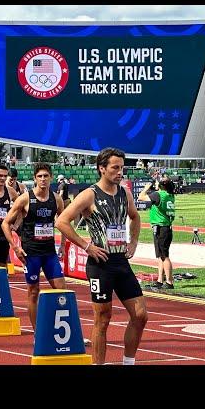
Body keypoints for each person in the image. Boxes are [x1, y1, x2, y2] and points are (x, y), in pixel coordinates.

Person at [56, 147, 148, 365]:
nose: (120, 172)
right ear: (102, 169)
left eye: (122, 168)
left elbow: (135, 217)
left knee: (140, 315)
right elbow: (61, 222)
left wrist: (133, 242)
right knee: (103, 319)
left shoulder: (125, 193)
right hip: (100, 264)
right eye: (115, 168)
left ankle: (128, 362)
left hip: (121, 262)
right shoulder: (89, 195)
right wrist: (86, 247)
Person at [1, 163, 67, 331]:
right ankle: (38, 332)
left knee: (62, 290)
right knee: (33, 292)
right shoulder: (25, 199)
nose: (43, 179)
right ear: (34, 179)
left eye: (46, 176)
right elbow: (5, 224)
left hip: (49, 252)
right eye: (40, 176)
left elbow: (64, 222)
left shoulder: (56, 199)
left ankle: (65, 330)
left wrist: (63, 245)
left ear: (51, 177)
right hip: (31, 254)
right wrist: (15, 247)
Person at [138, 177, 176, 289]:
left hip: (161, 227)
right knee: (160, 256)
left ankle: (169, 281)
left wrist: (146, 188)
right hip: (165, 227)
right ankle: (160, 280)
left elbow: (141, 197)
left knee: (164, 256)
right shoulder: (169, 195)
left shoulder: (158, 194)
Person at [56, 175, 71, 258]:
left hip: (64, 202)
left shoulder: (61, 185)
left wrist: (59, 202)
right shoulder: (65, 184)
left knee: (62, 219)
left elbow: (61, 194)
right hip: (66, 201)